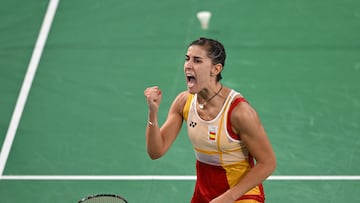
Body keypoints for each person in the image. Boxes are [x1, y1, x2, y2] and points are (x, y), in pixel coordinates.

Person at [144, 37, 276, 203]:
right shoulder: (183, 102)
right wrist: (152, 113)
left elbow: (268, 162)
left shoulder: (239, 112)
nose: (188, 65)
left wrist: (227, 198)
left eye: (197, 61)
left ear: (216, 69)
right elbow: (156, 151)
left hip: (242, 195)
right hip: (204, 196)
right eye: (187, 59)